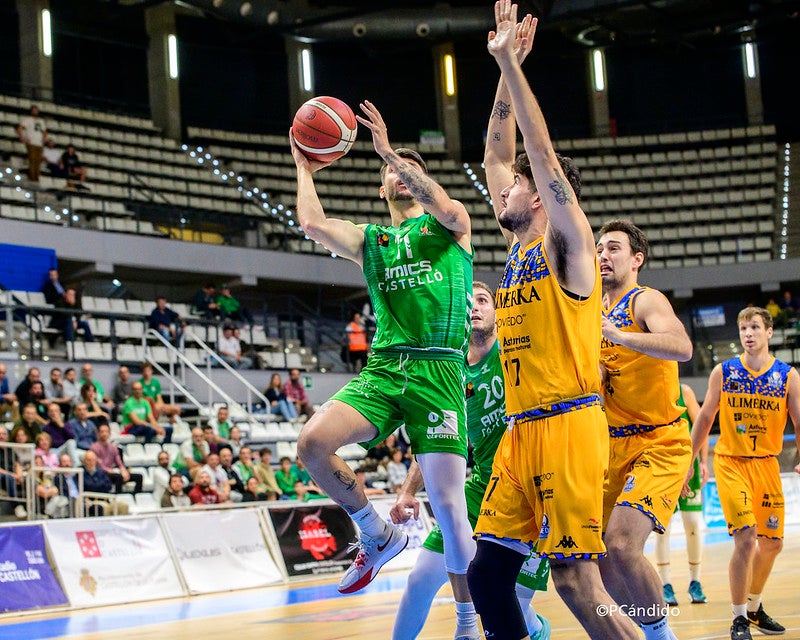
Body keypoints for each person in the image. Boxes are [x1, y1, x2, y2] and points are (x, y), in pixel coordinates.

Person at [468, 6, 638, 639]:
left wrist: (514, 64)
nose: (500, 191)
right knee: (488, 574)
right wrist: (501, 69)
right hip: (520, 432)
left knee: (574, 581)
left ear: (539, 194)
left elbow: (536, 155)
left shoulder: (568, 246)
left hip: (568, 424)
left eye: (512, 187)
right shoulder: (516, 249)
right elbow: (497, 150)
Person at [291, 96, 476, 634]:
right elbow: (312, 221)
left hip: (439, 372)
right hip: (385, 369)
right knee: (311, 444)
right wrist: (304, 166)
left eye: (411, 173)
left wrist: (390, 152)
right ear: (380, 188)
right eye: (391, 173)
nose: (399, 177)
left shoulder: (449, 230)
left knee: (448, 507)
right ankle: (374, 532)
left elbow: (455, 211)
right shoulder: (373, 241)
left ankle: (467, 618)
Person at [390, 282, 550, 640]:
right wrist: (406, 492)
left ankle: (538, 630)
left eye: (482, 300)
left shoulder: (515, 348)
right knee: (419, 580)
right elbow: (440, 442)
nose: (474, 307)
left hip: (529, 488)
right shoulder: (451, 373)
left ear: (497, 313)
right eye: (466, 303)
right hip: (482, 488)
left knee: (513, 605)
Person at [595, 218, 693, 640]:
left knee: (620, 544)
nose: (602, 255)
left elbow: (682, 346)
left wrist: (619, 335)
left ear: (636, 260)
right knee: (598, 558)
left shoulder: (644, 301)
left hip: (660, 440)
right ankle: (642, 630)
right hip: (610, 446)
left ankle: (659, 635)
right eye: (599, 248)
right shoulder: (590, 309)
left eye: (613, 248)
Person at [689, 306, 800, 640]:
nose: (748, 334)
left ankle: (753, 606)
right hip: (731, 462)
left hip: (767, 463)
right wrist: (689, 462)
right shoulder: (724, 372)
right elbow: (705, 418)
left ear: (769, 332)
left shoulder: (787, 375)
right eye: (743, 329)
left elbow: (799, 417)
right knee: (746, 537)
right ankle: (738, 618)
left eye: (754, 327)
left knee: (772, 544)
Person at [654, 382, 709, 606]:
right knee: (662, 528)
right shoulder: (649, 389)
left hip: (689, 465)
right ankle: (665, 584)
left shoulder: (684, 391)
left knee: (693, 524)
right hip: (661, 465)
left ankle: (695, 582)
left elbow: (702, 426)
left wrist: (704, 462)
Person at [90, 423, 143, 494]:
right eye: (102, 432)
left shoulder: (113, 447)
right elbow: (98, 465)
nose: (104, 434)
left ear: (109, 433)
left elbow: (119, 462)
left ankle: (136, 497)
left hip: (113, 472)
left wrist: (124, 471)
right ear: (98, 433)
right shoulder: (94, 447)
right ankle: (119, 497)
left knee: (139, 477)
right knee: (119, 477)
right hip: (102, 474)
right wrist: (108, 470)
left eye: (106, 431)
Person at [81, 450, 129, 516]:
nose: (91, 462)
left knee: (123, 506)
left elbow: (108, 485)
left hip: (106, 499)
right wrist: (100, 485)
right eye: (89, 460)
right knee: (105, 507)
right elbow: (88, 486)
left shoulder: (100, 471)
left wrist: (96, 486)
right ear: (84, 461)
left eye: (93, 460)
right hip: (92, 501)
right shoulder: (81, 473)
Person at [17, 105, 47, 181]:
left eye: (36, 110)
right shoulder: (27, 120)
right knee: (32, 161)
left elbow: (44, 131)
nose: (35, 112)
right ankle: (32, 178)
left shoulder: (41, 121)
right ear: (31, 111)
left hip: (39, 143)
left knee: (38, 162)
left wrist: (44, 139)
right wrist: (22, 138)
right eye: (34, 110)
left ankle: (37, 178)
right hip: (31, 142)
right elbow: (20, 128)